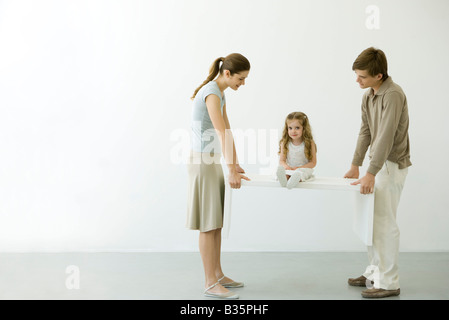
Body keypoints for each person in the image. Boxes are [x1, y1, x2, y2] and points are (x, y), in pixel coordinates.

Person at [344, 47, 411, 298]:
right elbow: (366, 131)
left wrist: (370, 172)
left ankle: (389, 282)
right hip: (376, 165)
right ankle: (374, 273)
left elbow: (385, 135)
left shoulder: (392, 94)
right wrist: (355, 164)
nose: (357, 80)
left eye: (362, 76)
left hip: (390, 166)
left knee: (384, 225)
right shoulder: (369, 95)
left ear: (379, 76)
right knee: (371, 222)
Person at [187, 53, 250, 299]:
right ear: (227, 74)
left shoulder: (220, 93)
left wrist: (235, 164)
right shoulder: (211, 92)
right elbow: (220, 133)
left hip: (210, 160)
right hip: (202, 162)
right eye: (241, 79)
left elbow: (228, 131)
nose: (242, 84)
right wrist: (231, 169)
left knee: (216, 222)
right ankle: (210, 282)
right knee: (208, 224)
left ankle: (219, 275)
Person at [276, 112, 317, 189]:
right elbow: (282, 161)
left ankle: (294, 179)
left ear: (304, 128)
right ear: (287, 128)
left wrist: (299, 168)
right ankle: (284, 180)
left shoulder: (309, 143)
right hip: (289, 168)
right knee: (285, 172)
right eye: (290, 128)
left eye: (297, 128)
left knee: (301, 173)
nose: (293, 131)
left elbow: (313, 163)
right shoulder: (285, 143)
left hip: (303, 168)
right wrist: (286, 167)